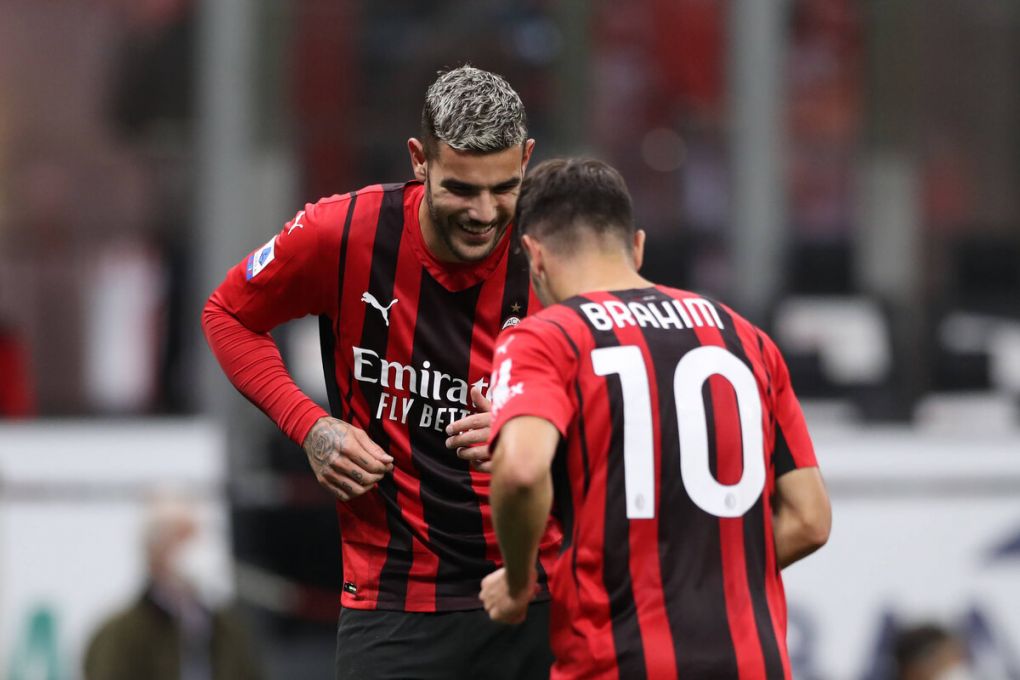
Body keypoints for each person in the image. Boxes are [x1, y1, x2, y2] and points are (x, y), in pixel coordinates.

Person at [202, 65, 560, 679]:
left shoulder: (552, 247)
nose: (483, 213)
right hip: (394, 603)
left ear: (527, 159)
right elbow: (228, 314)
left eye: (503, 187)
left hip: (540, 591)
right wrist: (311, 427)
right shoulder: (340, 232)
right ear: (419, 160)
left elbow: (620, 385)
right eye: (461, 189)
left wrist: (530, 424)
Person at [479, 158, 832, 679]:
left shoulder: (545, 338)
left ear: (534, 256)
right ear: (637, 246)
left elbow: (522, 470)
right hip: (753, 664)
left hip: (618, 662)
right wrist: (704, 581)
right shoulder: (745, 338)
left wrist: (515, 581)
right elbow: (810, 519)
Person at [84, 493, 262, 680]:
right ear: (155, 550)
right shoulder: (119, 636)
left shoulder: (228, 631)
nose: (195, 550)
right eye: (182, 537)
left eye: (197, 536)